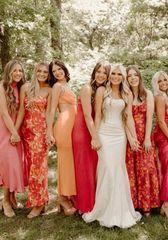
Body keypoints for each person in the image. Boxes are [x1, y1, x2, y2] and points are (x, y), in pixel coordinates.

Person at [82, 64, 141, 228]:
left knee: (118, 170)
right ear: (110, 76)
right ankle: (103, 210)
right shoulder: (102, 91)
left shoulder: (126, 93)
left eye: (118, 74)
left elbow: (128, 117)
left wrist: (133, 138)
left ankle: (119, 211)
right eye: (113, 74)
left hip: (120, 136)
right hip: (104, 134)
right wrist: (95, 136)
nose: (115, 76)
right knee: (106, 169)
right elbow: (98, 115)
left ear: (123, 77)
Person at [72, 61, 111, 213]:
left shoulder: (101, 90)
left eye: (104, 73)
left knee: (93, 168)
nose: (101, 75)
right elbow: (87, 115)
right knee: (85, 169)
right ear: (94, 73)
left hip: (94, 131)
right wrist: (95, 137)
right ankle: (85, 206)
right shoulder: (87, 89)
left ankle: (95, 203)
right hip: (83, 132)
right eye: (98, 71)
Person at [15, 63, 52, 218]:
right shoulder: (26, 88)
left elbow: (50, 113)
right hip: (26, 132)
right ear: (35, 72)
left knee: (38, 168)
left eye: (45, 72)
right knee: (31, 168)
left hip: (40, 133)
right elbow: (22, 111)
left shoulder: (49, 90)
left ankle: (38, 204)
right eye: (39, 71)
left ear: (48, 75)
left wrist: (49, 133)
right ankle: (40, 201)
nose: (42, 74)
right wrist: (15, 130)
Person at [125, 65, 160, 217]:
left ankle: (147, 204)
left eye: (135, 75)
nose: (133, 78)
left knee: (146, 168)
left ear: (139, 77)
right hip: (131, 137)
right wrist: (132, 138)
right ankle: (134, 204)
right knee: (131, 169)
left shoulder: (147, 94)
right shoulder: (125, 95)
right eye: (129, 76)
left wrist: (146, 139)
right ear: (126, 79)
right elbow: (126, 118)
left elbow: (149, 117)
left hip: (145, 136)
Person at [47, 59, 76, 215]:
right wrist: (49, 132)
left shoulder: (66, 86)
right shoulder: (57, 87)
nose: (57, 72)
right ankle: (63, 198)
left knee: (71, 162)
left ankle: (69, 195)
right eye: (54, 71)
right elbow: (52, 111)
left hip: (73, 126)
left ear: (64, 69)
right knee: (65, 162)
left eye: (59, 69)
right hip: (64, 126)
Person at [0, 60, 25, 217]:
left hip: (16, 127)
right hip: (4, 129)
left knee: (15, 163)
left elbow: (21, 110)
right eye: (14, 71)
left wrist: (16, 130)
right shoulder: (1, 86)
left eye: (20, 71)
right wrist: (13, 132)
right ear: (8, 71)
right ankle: (5, 201)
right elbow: (3, 112)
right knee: (9, 164)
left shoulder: (20, 88)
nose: (17, 73)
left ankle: (12, 197)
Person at [152, 71, 168, 220]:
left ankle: (165, 200)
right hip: (163, 137)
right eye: (159, 81)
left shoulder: (167, 96)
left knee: (167, 169)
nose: (162, 83)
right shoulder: (160, 98)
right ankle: (167, 205)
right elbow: (161, 121)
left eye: (164, 80)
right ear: (156, 84)